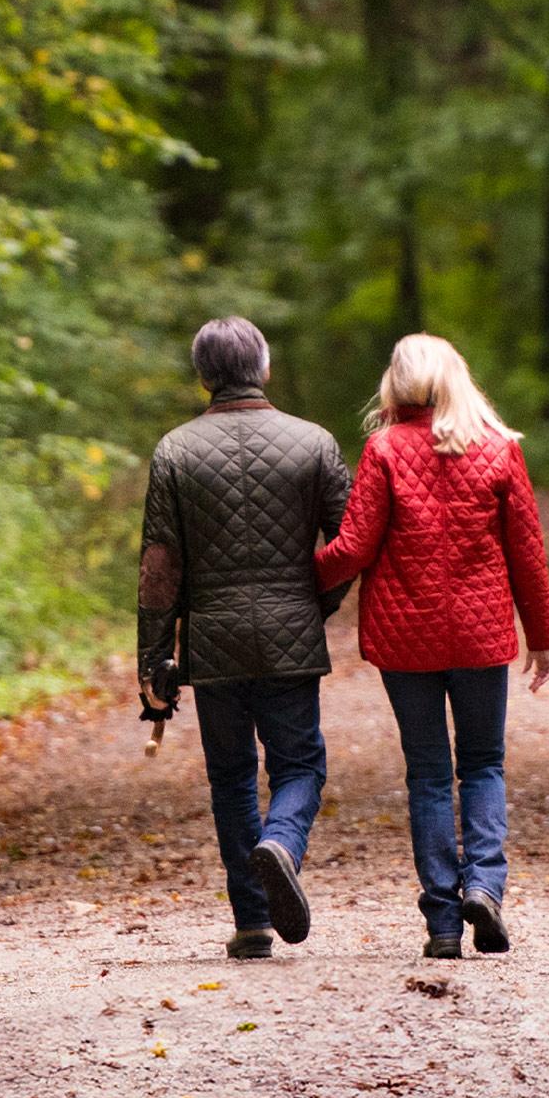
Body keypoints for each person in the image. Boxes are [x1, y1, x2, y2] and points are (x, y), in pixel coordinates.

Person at [314, 333, 549, 959]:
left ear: (395, 385)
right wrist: (543, 637)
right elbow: (527, 554)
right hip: (480, 639)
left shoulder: (384, 449)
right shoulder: (500, 449)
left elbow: (355, 548)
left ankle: (443, 924)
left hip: (405, 640)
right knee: (482, 763)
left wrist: (293, 574)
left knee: (427, 774)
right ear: (456, 379)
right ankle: (485, 887)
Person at [137, 317, 351, 960]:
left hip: (214, 644)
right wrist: (314, 606)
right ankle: (283, 841)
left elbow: (160, 566)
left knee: (230, 779)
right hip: (291, 635)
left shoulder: (175, 450)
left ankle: (253, 922)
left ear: (203, 376)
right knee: (300, 765)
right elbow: (348, 546)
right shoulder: (313, 443)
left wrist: (153, 659)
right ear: (264, 368)